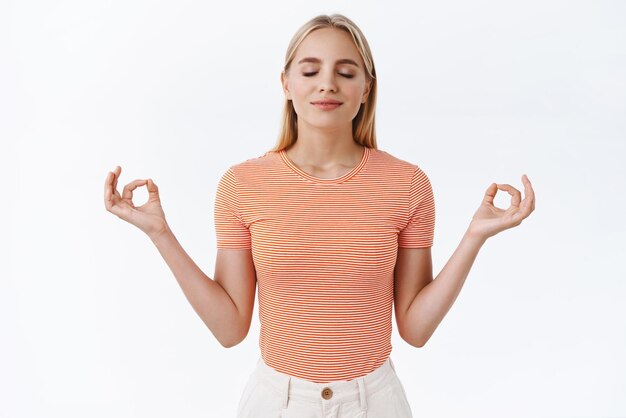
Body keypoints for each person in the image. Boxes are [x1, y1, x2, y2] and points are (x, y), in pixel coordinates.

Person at [103, 13, 535, 418]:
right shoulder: (243, 184)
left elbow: (415, 330)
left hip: (376, 401)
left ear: (366, 88)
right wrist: (159, 233)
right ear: (286, 83)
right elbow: (230, 327)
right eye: (310, 71)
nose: (326, 84)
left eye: (345, 73)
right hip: (277, 402)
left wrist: (475, 236)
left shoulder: (407, 184)